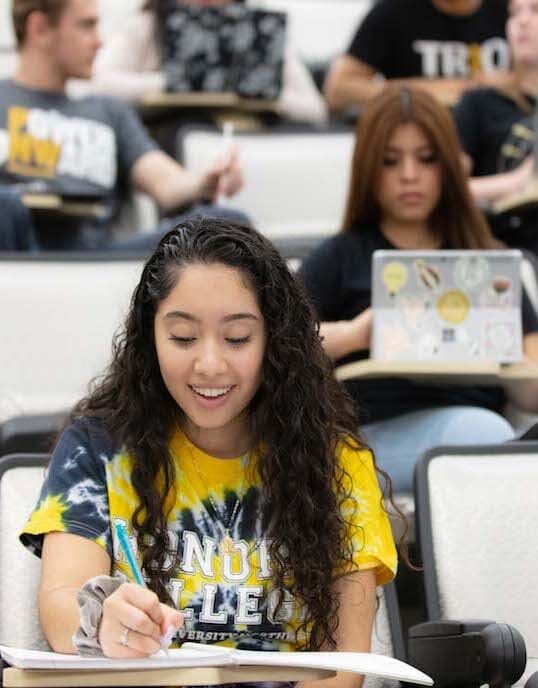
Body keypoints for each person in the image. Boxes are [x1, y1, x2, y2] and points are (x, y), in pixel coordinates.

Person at [20, 217, 398, 683]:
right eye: (182, 338)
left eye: (237, 338)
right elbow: (61, 605)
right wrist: (102, 623)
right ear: (149, 338)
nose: (210, 364)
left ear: (274, 342)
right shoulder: (97, 448)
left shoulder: (336, 462)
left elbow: (343, 668)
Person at [299, 86, 538, 493]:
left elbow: (537, 394)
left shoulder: (486, 265)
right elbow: (273, 346)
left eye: (427, 159)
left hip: (482, 429)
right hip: (372, 437)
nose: (410, 175)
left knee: (501, 439)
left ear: (448, 166)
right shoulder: (340, 257)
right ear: (368, 169)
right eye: (390, 161)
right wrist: (355, 334)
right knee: (486, 439)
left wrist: (504, 354)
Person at [0, 0, 244, 251]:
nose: (99, 41)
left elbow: (166, 183)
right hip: (19, 253)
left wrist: (205, 182)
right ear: (39, 28)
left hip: (100, 259)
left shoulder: (108, 110)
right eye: (87, 26)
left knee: (228, 221)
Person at [91, 0, 327, 127]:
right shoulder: (150, 24)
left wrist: (256, 90)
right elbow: (100, 82)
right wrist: (180, 82)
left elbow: (314, 109)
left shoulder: (259, 34)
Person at [453, 0, 538, 285]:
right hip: (508, 243)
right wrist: (521, 180)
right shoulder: (480, 103)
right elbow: (445, 189)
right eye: (514, 13)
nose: (522, 21)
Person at [324, 0, 511, 113]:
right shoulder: (394, 10)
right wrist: (453, 90)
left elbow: (535, 80)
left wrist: (512, 84)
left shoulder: (514, 11)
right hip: (417, 141)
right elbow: (338, 90)